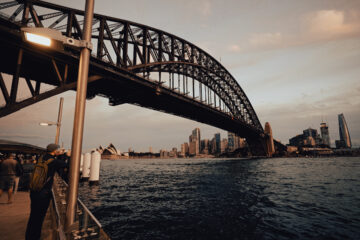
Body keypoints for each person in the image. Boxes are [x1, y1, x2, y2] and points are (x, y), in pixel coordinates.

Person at [25, 143, 67, 240]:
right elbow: (66, 164)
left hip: (34, 190)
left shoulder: (41, 158)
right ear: (55, 151)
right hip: (43, 193)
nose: (60, 151)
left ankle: (29, 236)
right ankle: (35, 237)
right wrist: (64, 155)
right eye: (58, 150)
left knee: (33, 215)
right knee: (39, 217)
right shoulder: (53, 162)